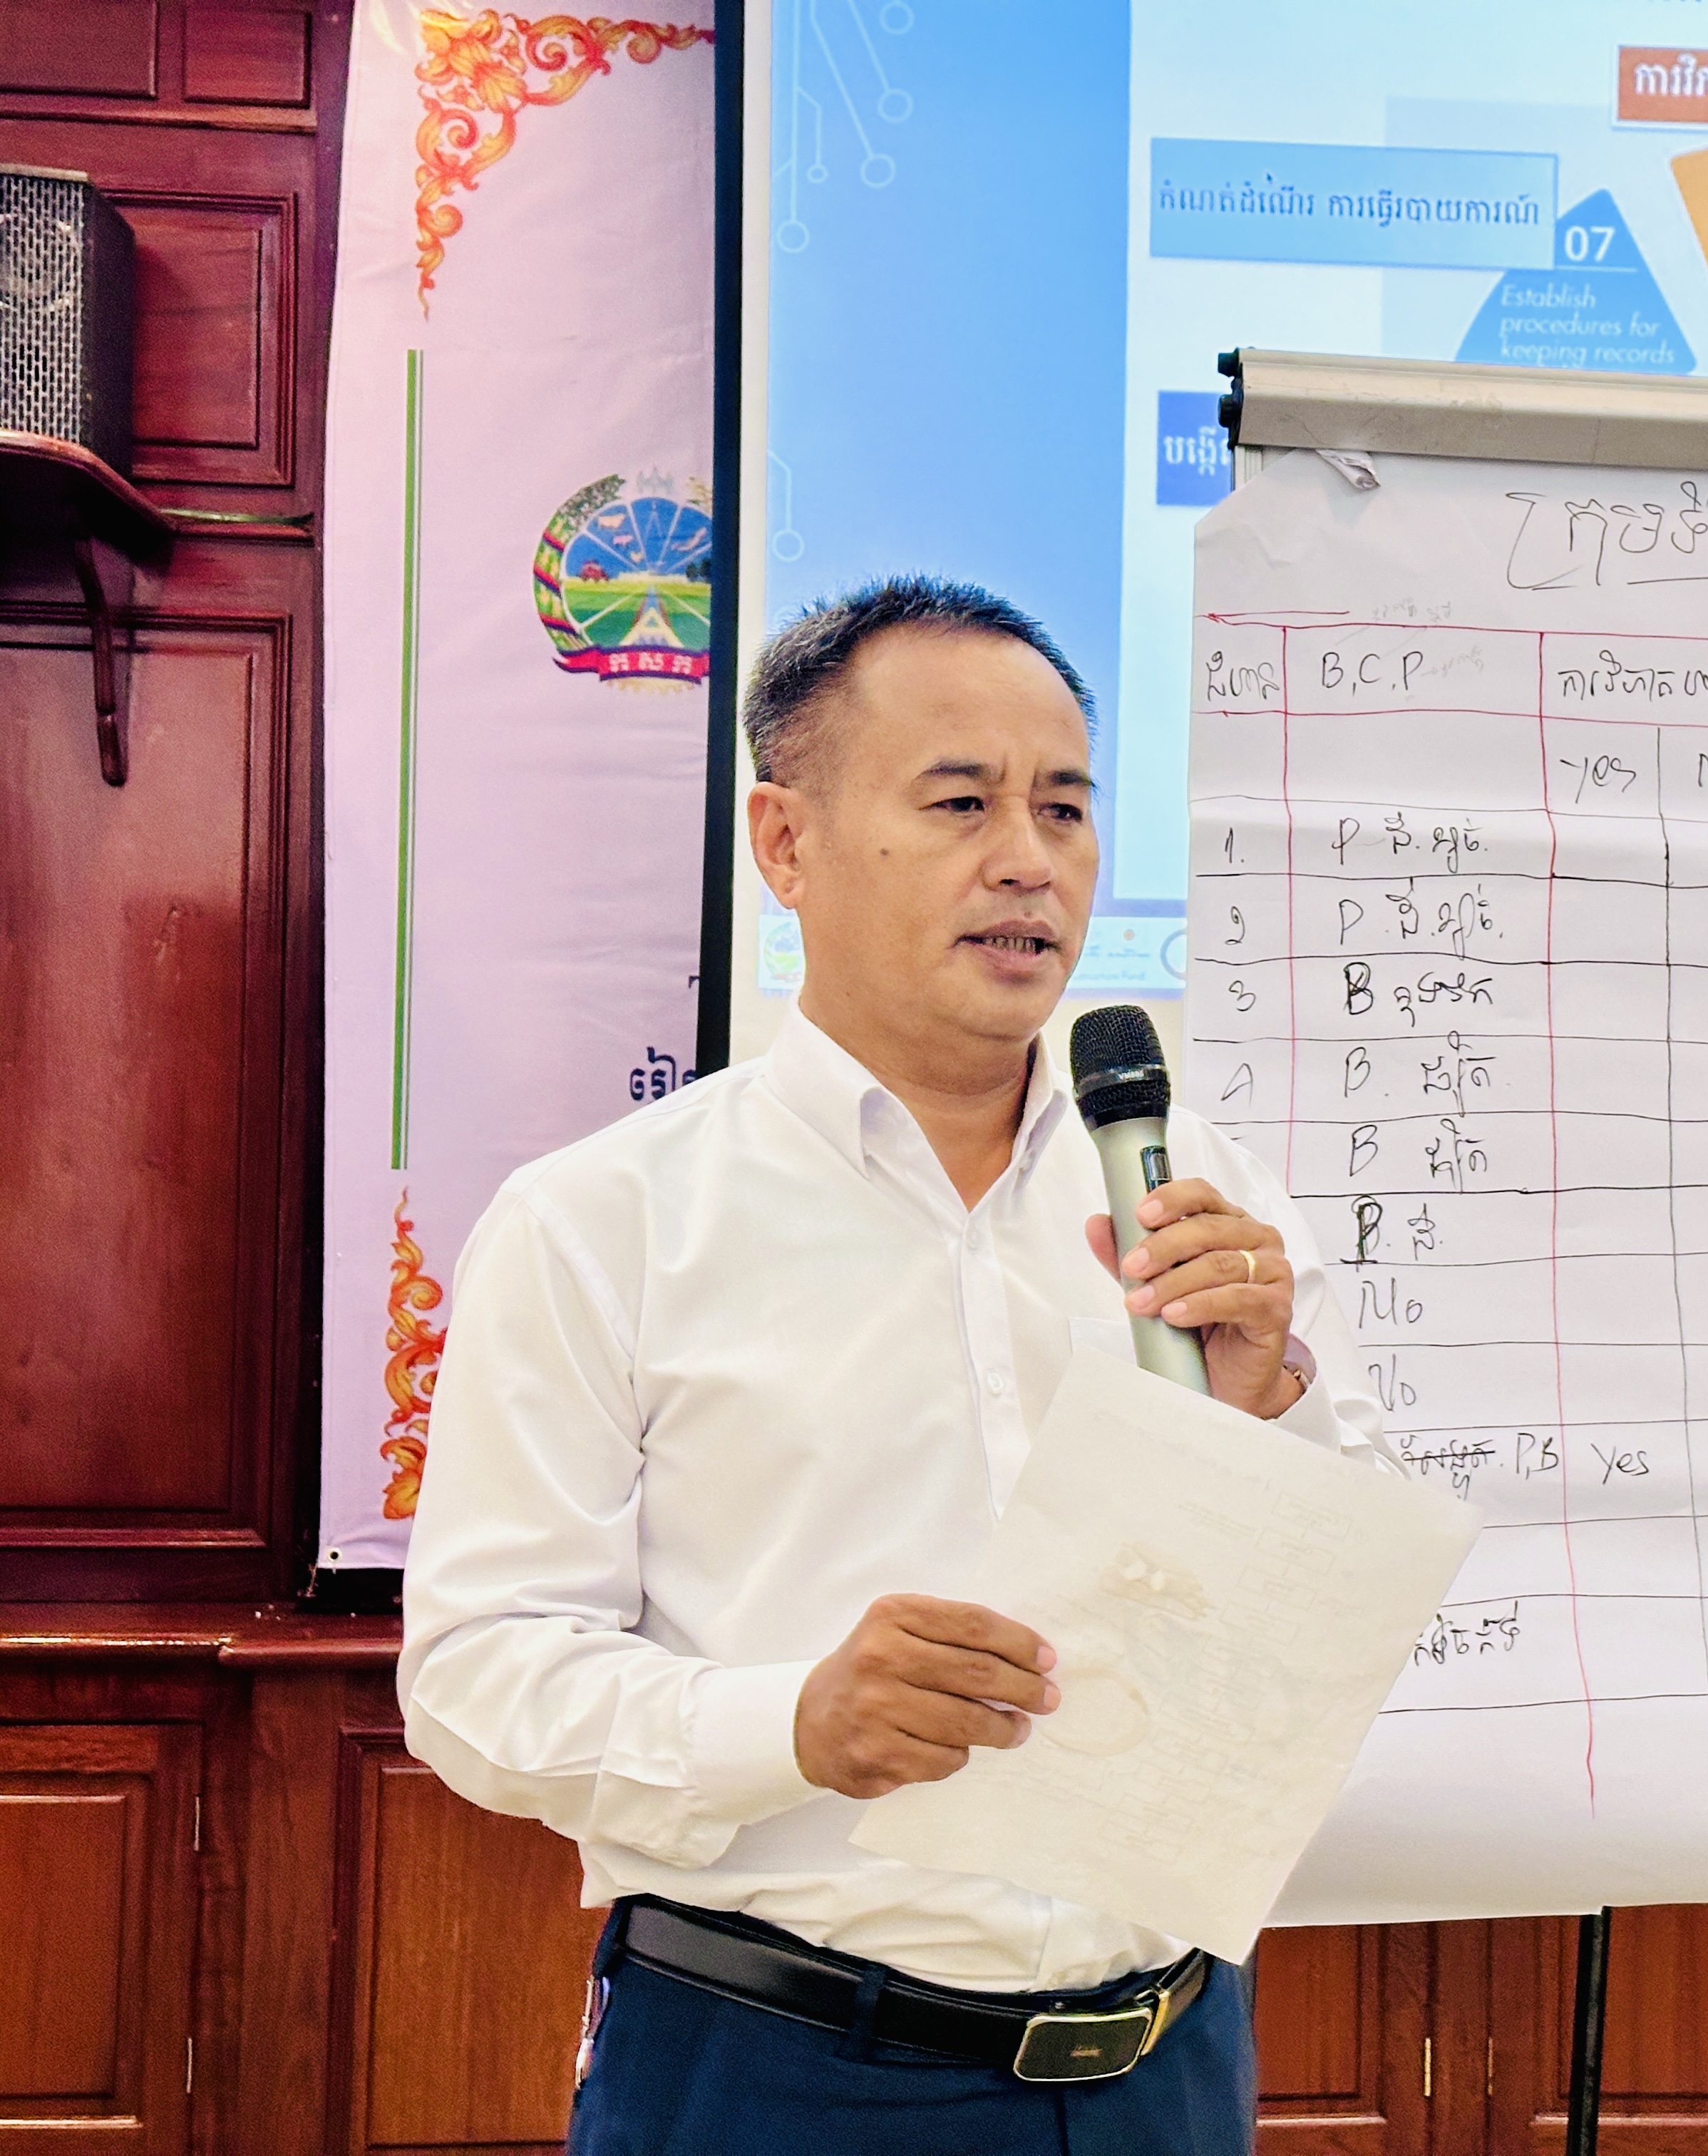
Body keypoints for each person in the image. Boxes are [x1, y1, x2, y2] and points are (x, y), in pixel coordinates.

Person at [398, 577, 1389, 2155]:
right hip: (780, 2071)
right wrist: (794, 1723)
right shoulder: (606, 1221)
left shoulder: (1203, 1197)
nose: (1029, 860)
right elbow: (477, 1681)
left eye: (1064, 808)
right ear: (784, 843)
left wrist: (1275, 1407)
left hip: (1164, 2065)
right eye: (960, 802)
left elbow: (1341, 1621)